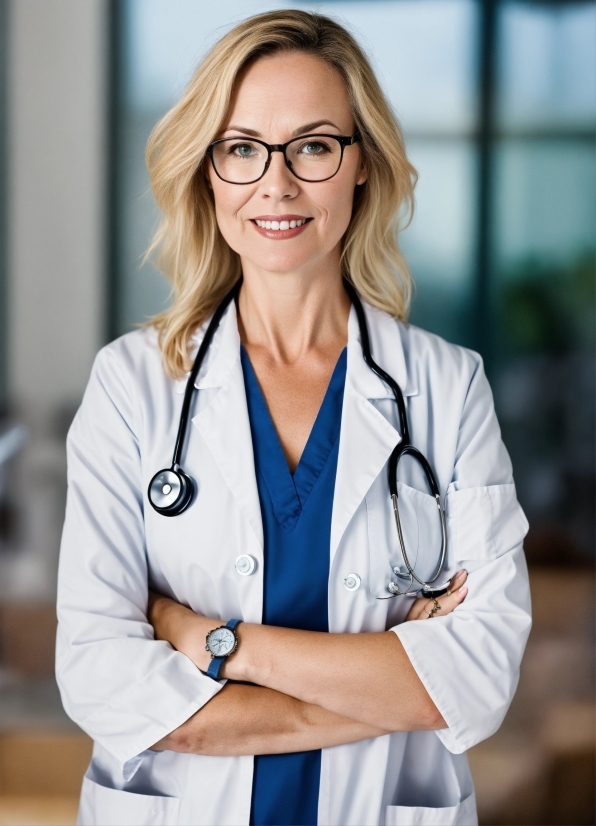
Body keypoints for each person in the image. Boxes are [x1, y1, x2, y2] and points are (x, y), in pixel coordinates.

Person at [56, 10, 531, 826]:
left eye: (312, 146)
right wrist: (402, 689)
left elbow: (480, 679)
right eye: (242, 149)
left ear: (361, 166)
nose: (275, 185)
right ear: (208, 172)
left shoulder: (448, 390)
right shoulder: (133, 386)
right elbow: (101, 679)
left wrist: (213, 641)